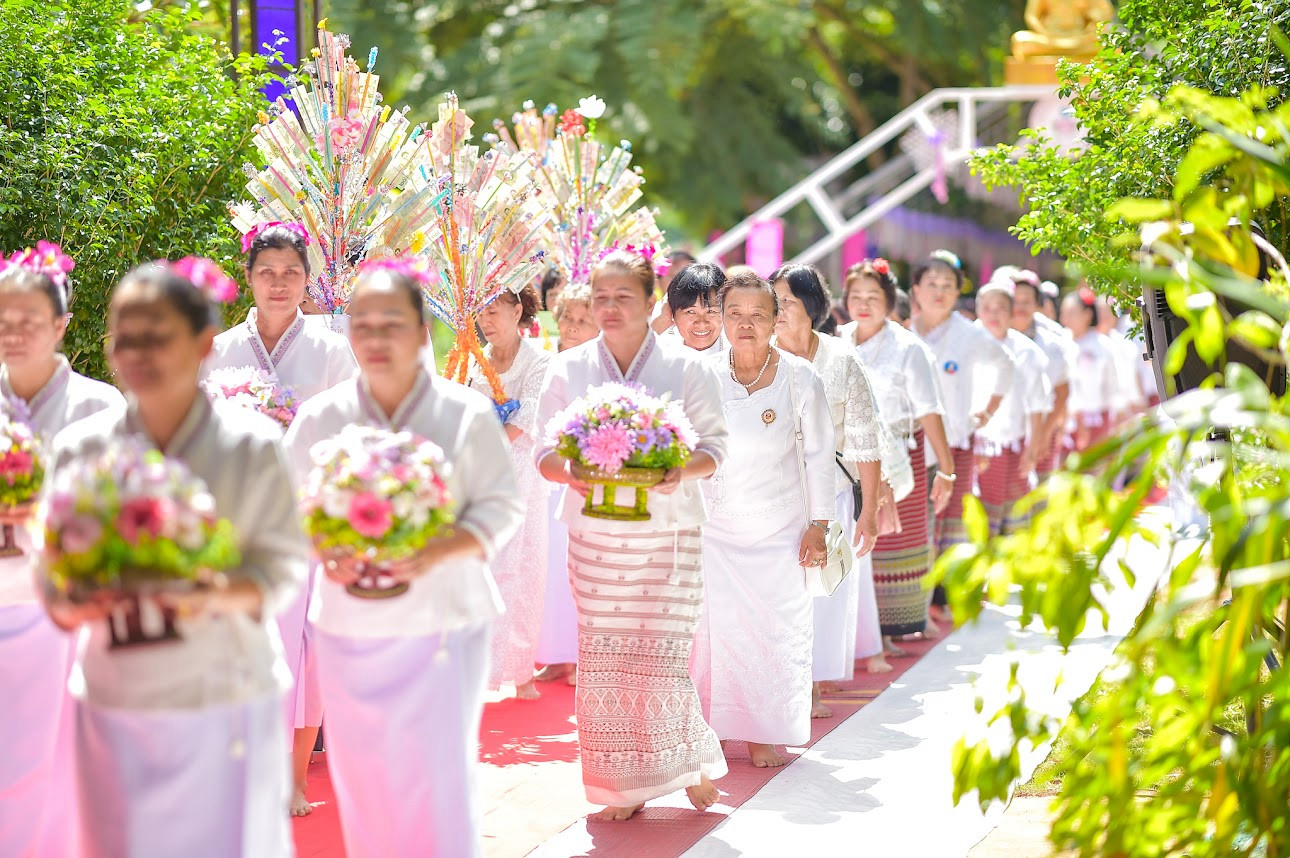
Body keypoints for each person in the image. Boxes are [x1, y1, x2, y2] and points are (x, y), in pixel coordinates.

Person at [40, 260, 308, 858]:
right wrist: (76, 597)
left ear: (204, 343)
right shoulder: (81, 446)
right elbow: (52, 577)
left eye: (157, 336)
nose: (139, 352)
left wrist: (206, 593)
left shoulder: (250, 445)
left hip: (224, 698)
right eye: (125, 338)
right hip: (116, 697)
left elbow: (281, 569)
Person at [284, 260, 523, 857]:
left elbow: (500, 507)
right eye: (362, 325)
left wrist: (438, 548)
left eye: (392, 324)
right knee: (364, 780)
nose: (376, 338)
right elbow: (281, 510)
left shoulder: (462, 411)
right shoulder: (322, 416)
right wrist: (325, 546)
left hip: (446, 619)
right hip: (349, 621)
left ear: (423, 333)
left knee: (438, 775)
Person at [535, 249, 728, 821]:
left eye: (624, 297)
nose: (610, 308)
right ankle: (621, 783)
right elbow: (545, 452)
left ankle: (687, 760)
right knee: (607, 657)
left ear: (652, 303)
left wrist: (676, 469)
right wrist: (572, 470)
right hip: (595, 535)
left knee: (662, 657)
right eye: (600, 297)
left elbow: (715, 449)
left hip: (669, 535)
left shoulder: (688, 368)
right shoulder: (567, 367)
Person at [203, 222, 358, 817]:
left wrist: (297, 434)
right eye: (266, 271)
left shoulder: (333, 352)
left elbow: (352, 430)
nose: (279, 283)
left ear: (307, 278)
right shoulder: (216, 351)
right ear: (247, 277)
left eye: (292, 272)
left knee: (305, 650)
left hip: (306, 518)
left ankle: (293, 780)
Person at [0, 245, 124, 858]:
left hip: (65, 614)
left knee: (60, 769)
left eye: (30, 319)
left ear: (61, 325)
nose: (15, 332)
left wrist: (43, 513)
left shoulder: (102, 408)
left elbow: (128, 519)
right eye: (3, 318)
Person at [687, 270, 832, 767]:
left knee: (773, 630)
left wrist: (821, 523)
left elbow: (818, 454)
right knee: (715, 632)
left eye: (757, 315)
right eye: (735, 314)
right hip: (715, 526)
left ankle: (763, 732)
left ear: (777, 319)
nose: (745, 325)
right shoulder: (700, 372)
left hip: (780, 528)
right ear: (722, 319)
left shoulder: (800, 377)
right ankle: (713, 728)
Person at [769, 264, 887, 716]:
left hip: (832, 494)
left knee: (824, 593)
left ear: (812, 308)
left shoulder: (841, 360)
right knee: (779, 593)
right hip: (773, 494)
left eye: (787, 303)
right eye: (772, 301)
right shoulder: (758, 356)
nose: (776, 312)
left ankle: (814, 684)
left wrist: (869, 511)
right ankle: (778, 684)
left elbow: (865, 439)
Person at [839, 260, 956, 654]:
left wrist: (948, 468)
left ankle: (888, 632)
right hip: (848, 454)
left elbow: (930, 409)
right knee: (853, 536)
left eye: (873, 297)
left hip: (900, 451)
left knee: (895, 541)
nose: (864, 304)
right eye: (856, 296)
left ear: (889, 300)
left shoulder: (909, 347)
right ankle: (859, 634)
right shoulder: (836, 340)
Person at [909, 251, 1016, 628]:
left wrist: (985, 414)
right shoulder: (905, 332)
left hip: (955, 441)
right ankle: (916, 604)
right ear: (916, 290)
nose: (939, 292)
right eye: (931, 285)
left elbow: (1006, 365)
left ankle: (945, 598)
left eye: (947, 286)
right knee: (917, 524)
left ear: (958, 292)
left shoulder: (969, 334)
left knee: (951, 522)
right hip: (911, 442)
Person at [469, 284, 550, 700]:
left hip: (521, 477)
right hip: (478, 477)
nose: (487, 320)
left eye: (494, 310)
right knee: (478, 566)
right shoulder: (471, 359)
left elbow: (529, 420)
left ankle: (520, 669)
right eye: (480, 312)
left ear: (518, 309)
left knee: (522, 568)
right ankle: (477, 667)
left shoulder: (538, 362)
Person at [534, 283, 598, 685]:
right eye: (568, 319)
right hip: (549, 474)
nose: (573, 328)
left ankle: (578, 654)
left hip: (581, 475)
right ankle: (555, 654)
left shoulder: (594, 368)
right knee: (550, 566)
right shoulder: (547, 361)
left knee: (575, 566)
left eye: (583, 321)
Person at [974, 280, 1053, 535]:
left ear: (1010, 312)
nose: (994, 314)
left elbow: (1038, 403)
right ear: (978, 311)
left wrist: (1033, 446)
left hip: (1014, 445)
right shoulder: (967, 345)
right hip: (977, 446)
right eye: (987, 308)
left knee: (1015, 521)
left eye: (1001, 308)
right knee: (979, 522)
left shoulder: (1027, 351)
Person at [1010, 272, 1075, 482]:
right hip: (1004, 434)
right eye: (1015, 301)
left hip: (1043, 432)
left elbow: (1062, 392)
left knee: (1040, 497)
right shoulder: (993, 338)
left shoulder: (1053, 345)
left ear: (1037, 304)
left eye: (1026, 301)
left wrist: (1044, 435)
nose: (1019, 307)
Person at [1060, 287, 1119, 453]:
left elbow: (1112, 386)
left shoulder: (1103, 346)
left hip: (1096, 420)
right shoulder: (1060, 342)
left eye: (1071, 313)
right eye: (1063, 313)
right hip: (1065, 421)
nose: (1065, 319)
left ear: (1087, 314)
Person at [666, 262, 728, 354]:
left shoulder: (739, 354)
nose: (701, 323)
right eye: (691, 312)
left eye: (711, 311)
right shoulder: (662, 350)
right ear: (672, 313)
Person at [649, 250, 696, 334]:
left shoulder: (714, 309)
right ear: (658, 281)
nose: (680, 282)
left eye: (686, 276)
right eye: (672, 276)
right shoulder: (649, 315)